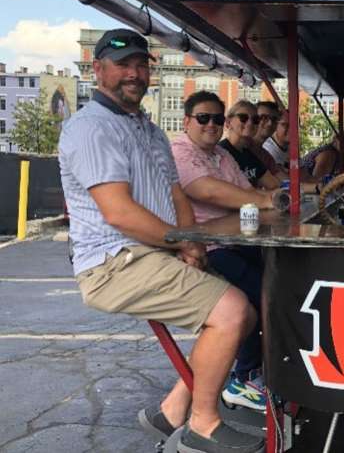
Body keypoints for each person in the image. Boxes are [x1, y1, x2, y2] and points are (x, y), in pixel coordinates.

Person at [58, 28, 264, 453]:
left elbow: (175, 194)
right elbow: (119, 213)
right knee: (233, 311)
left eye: (140, 65)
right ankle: (201, 426)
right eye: (122, 65)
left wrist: (193, 244)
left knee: (244, 314)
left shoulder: (149, 130)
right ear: (98, 70)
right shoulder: (92, 127)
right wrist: (180, 244)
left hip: (153, 250)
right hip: (112, 260)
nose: (134, 73)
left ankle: (171, 410)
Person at [171, 91, 279, 413]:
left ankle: (265, 369)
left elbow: (245, 192)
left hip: (236, 241)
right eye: (204, 118)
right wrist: (262, 200)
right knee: (258, 297)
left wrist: (259, 199)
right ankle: (243, 379)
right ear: (187, 121)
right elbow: (206, 190)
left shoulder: (222, 155)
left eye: (217, 118)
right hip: (203, 248)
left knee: (280, 284)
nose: (212, 124)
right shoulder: (180, 151)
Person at [220, 100, 280, 189]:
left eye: (255, 120)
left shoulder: (249, 154)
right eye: (243, 118)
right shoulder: (220, 153)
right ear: (228, 123)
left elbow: (274, 185)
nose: (250, 123)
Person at [248, 101, 284, 177]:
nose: (270, 123)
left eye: (274, 119)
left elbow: (284, 180)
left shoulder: (266, 157)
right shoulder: (237, 149)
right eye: (264, 118)